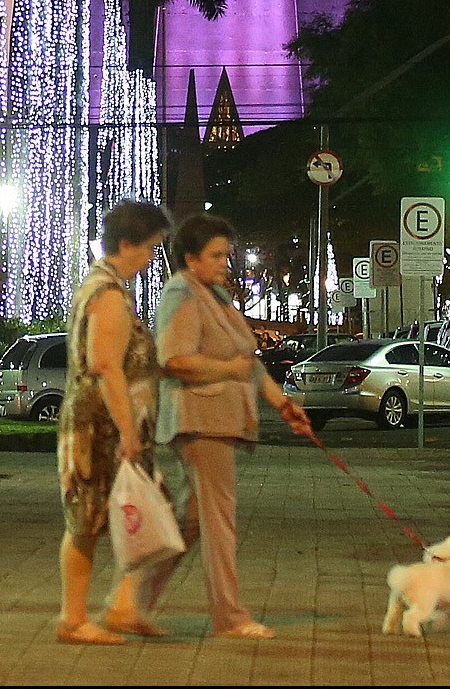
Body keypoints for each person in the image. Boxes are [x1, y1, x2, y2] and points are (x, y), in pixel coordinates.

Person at [136, 212, 313, 639]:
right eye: (215, 255)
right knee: (219, 522)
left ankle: (132, 602)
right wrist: (226, 369)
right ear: (190, 258)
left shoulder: (215, 296)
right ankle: (229, 616)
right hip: (201, 423)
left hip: (220, 421)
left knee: (192, 522)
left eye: (226, 254)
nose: (224, 263)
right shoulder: (181, 293)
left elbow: (248, 363)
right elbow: (174, 360)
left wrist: (282, 403)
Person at [56, 199, 172, 645]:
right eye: (148, 249)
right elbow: (107, 365)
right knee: (86, 519)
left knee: (142, 511)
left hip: (106, 422)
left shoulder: (104, 287)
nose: (150, 259)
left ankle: (124, 605)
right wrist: (127, 432)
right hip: (99, 427)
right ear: (126, 245)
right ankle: (74, 619)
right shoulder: (107, 295)